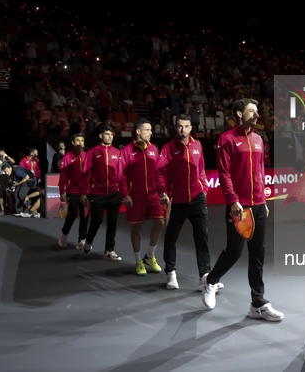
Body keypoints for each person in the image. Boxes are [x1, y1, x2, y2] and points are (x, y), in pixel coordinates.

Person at [201, 98, 283, 322]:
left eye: (257, 111)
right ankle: (210, 282)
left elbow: (259, 171)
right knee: (235, 252)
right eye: (252, 111)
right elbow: (224, 173)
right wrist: (233, 200)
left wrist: (264, 199)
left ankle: (258, 303)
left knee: (258, 253)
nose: (257, 115)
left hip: (258, 205)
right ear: (239, 113)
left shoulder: (258, 139)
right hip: (239, 206)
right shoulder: (226, 139)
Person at [157, 114, 220, 290]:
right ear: (175, 128)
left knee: (202, 238)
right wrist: (162, 192)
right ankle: (171, 273)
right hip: (176, 200)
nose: (182, 130)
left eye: (185, 126)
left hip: (198, 198)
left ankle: (205, 277)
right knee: (170, 238)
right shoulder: (168, 148)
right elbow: (160, 173)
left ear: (191, 128)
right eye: (179, 126)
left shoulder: (197, 145)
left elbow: (201, 170)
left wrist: (204, 190)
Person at [119, 119, 166, 276]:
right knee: (136, 228)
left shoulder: (153, 149)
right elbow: (121, 175)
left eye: (151, 130)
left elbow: (158, 173)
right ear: (138, 132)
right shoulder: (126, 151)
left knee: (160, 223)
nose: (151, 132)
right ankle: (138, 260)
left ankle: (150, 255)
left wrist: (163, 192)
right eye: (147, 130)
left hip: (153, 194)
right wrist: (125, 194)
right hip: (136, 196)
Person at [82, 125, 123, 261]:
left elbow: (121, 173)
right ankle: (88, 242)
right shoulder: (92, 152)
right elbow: (85, 173)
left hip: (113, 193)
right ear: (101, 136)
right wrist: (85, 191)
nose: (110, 136)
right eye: (107, 134)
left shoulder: (118, 152)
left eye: (111, 134)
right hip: (97, 193)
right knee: (97, 220)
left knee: (113, 222)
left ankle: (109, 250)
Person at [57, 134, 89, 249]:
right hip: (72, 191)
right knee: (73, 214)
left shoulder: (87, 156)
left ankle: (81, 240)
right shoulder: (67, 157)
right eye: (77, 140)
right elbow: (63, 176)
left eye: (82, 140)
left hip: (85, 192)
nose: (80, 142)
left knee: (85, 216)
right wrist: (62, 192)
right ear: (73, 143)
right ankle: (64, 234)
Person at [0, 149, 16, 215]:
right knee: (0, 195)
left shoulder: (7, 162)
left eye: (2, 154)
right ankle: (2, 209)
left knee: (9, 194)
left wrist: (7, 156)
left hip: (7, 180)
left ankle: (11, 209)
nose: (1, 156)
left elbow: (13, 162)